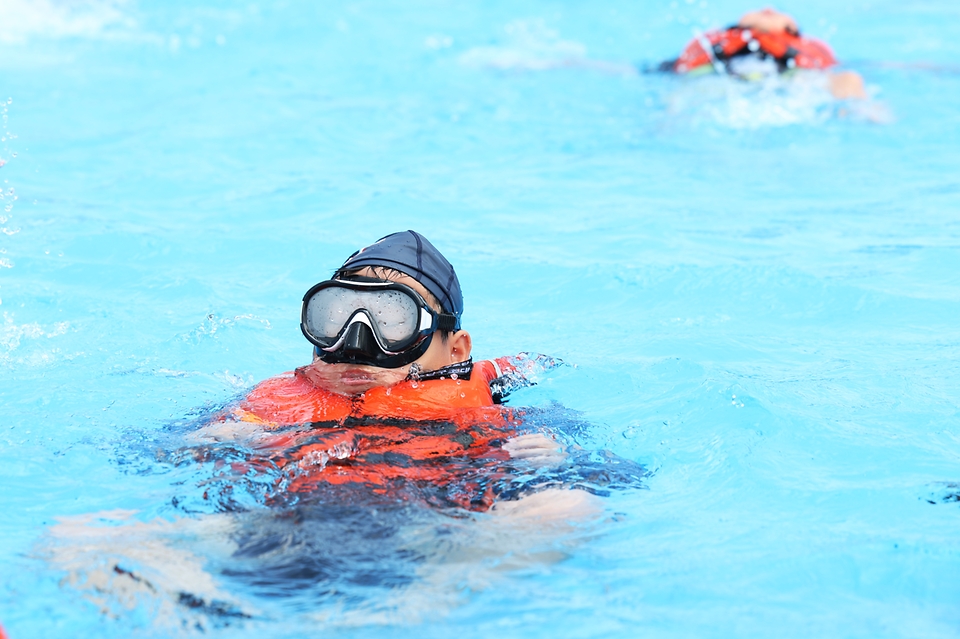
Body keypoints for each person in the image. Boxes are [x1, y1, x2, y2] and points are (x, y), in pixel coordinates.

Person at [660, 7, 867, 99]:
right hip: (723, 81)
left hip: (788, 77)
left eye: (776, 13)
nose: (768, 8)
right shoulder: (718, 49)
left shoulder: (803, 55)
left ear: (792, 34)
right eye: (762, 11)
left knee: (849, 79)